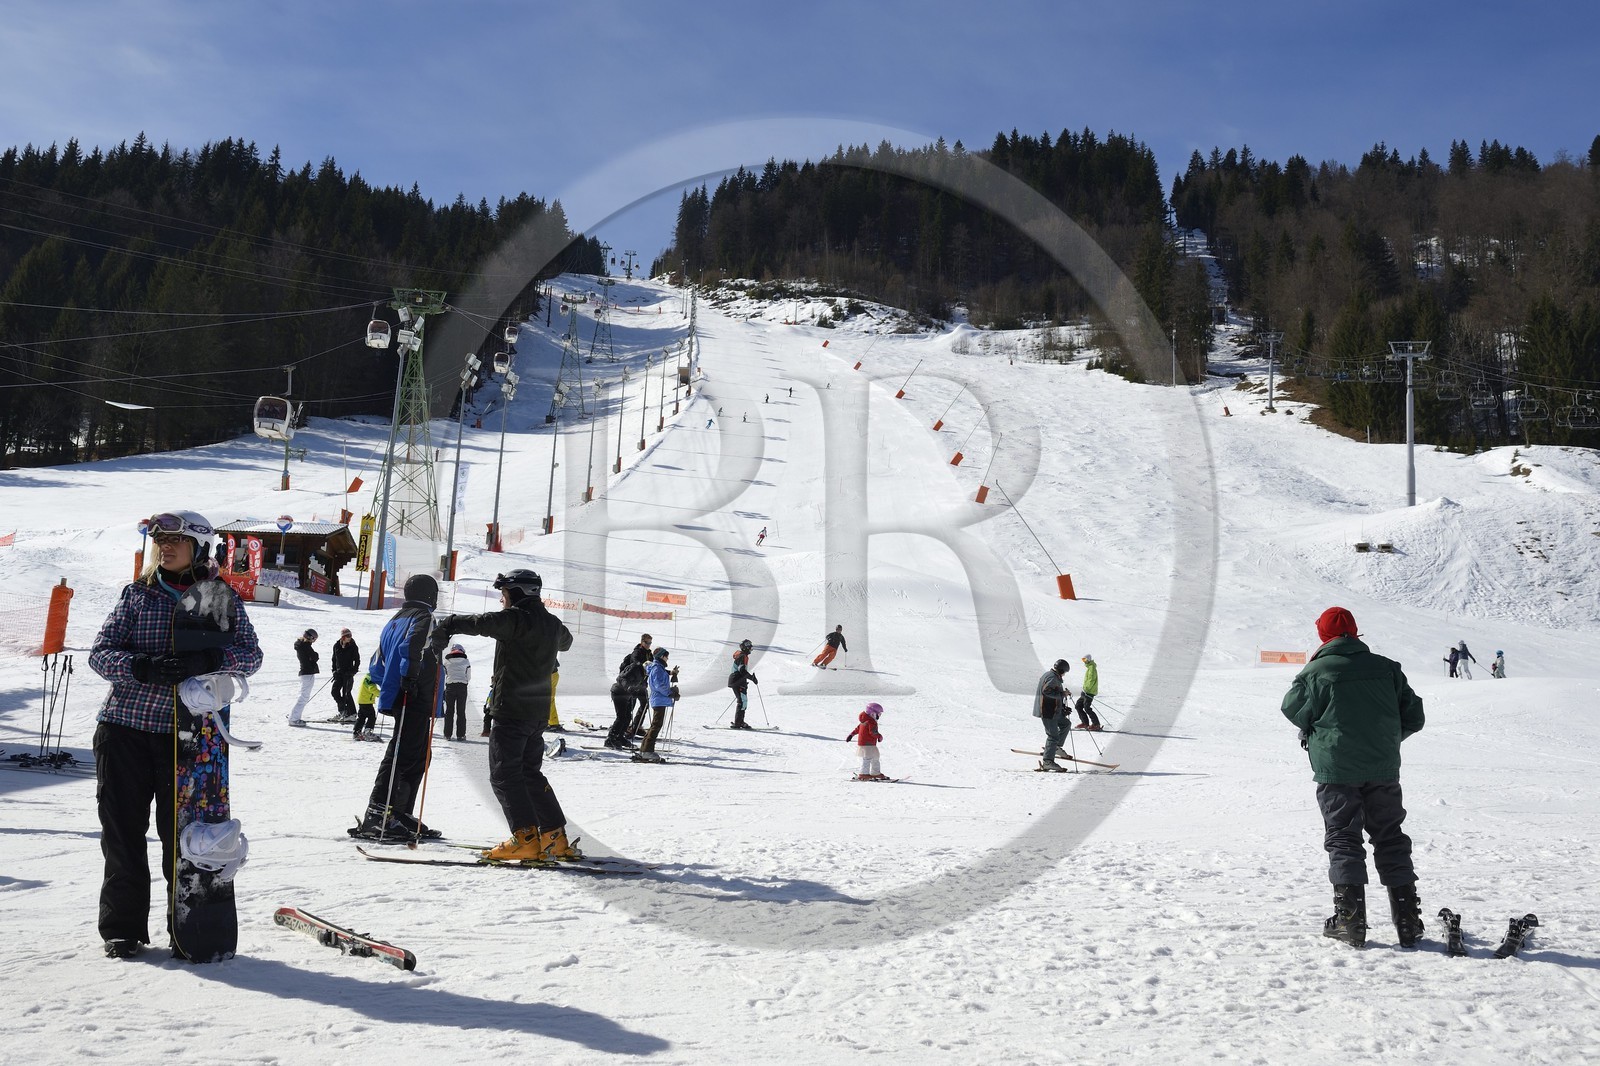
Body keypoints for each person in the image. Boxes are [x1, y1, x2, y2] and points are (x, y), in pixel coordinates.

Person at [89, 509, 263, 959]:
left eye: (175, 540)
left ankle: (187, 930)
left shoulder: (220, 599)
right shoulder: (137, 596)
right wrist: (139, 667)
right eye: (160, 540)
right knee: (122, 834)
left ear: (199, 546)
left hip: (187, 738)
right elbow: (100, 652)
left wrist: (208, 661)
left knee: (180, 837)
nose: (164, 547)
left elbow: (251, 655)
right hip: (124, 727)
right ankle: (122, 930)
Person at [1281, 606, 1425, 949]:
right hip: (1382, 769)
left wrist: (1320, 733)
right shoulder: (1388, 669)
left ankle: (1351, 922)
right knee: (1390, 837)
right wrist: (1383, 741)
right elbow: (1414, 716)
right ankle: (1407, 922)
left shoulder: (1317, 671)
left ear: (1322, 635)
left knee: (1344, 838)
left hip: (1336, 771)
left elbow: (1293, 708)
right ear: (1356, 632)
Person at [426, 569, 579, 861]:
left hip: (511, 710)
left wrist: (447, 624)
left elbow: (481, 623)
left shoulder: (515, 620)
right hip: (537, 714)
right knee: (529, 774)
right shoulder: (551, 623)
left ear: (518, 593)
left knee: (504, 775)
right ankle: (554, 837)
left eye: (505, 594)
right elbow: (567, 641)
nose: (502, 600)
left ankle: (525, 839)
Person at [352, 574, 442, 842]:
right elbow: (412, 646)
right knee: (403, 754)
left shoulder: (393, 620)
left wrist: (390, 683)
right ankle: (378, 815)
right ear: (430, 595)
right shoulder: (423, 618)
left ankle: (398, 813)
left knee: (416, 754)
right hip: (413, 695)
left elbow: (376, 663)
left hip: (403, 695)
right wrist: (409, 678)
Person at [635, 647, 678, 763]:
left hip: (659, 699)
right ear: (661, 656)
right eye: (666, 656)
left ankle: (644, 750)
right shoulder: (657, 669)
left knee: (655, 724)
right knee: (656, 725)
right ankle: (647, 750)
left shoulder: (658, 668)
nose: (667, 658)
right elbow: (659, 685)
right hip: (659, 699)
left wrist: (672, 676)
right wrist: (670, 693)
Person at [1032, 659, 1073, 771]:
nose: (1064, 674)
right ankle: (1048, 762)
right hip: (1047, 711)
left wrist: (1062, 708)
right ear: (1060, 670)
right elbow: (1047, 692)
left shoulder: (1052, 676)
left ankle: (1056, 747)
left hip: (1053, 710)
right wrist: (1062, 694)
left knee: (1066, 724)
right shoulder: (1052, 678)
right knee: (1053, 735)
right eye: (1064, 672)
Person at [607, 645, 650, 749]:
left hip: (626, 695)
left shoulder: (644, 674)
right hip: (618, 692)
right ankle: (610, 739)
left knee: (627, 717)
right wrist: (629, 687)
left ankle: (620, 737)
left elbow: (641, 685)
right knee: (621, 717)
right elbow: (621, 678)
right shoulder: (635, 668)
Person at [287, 629, 318, 727]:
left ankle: (293, 716)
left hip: (305, 672)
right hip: (307, 673)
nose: (314, 642)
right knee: (304, 697)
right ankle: (294, 719)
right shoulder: (306, 646)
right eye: (314, 639)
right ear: (310, 638)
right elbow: (315, 657)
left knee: (302, 696)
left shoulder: (300, 645)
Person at [846, 702, 886, 780]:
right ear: (873, 714)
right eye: (879, 714)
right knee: (867, 758)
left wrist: (851, 735)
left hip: (868, 744)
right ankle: (863, 774)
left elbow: (857, 729)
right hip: (868, 744)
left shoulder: (864, 721)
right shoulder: (871, 722)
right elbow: (873, 732)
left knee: (875, 757)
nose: (879, 716)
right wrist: (879, 736)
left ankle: (875, 773)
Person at [626, 633, 654, 738]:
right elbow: (635, 663)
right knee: (630, 707)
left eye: (650, 643)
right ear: (642, 642)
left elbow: (653, 666)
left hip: (642, 684)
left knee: (645, 705)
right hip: (633, 684)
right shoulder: (637, 652)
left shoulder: (649, 654)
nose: (648, 645)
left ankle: (636, 727)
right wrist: (644, 665)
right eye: (647, 642)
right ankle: (624, 727)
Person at [441, 643, 471, 740]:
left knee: (449, 711)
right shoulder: (466, 661)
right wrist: (465, 681)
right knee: (461, 711)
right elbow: (468, 675)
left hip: (450, 686)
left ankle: (447, 734)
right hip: (462, 686)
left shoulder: (446, 661)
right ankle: (461, 735)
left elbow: (445, 673)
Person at [330, 629, 360, 722]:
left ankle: (352, 714)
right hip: (339, 673)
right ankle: (343, 711)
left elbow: (357, 660)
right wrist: (334, 671)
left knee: (346, 693)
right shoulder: (336, 645)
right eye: (348, 636)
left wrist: (353, 671)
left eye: (350, 635)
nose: (350, 637)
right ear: (343, 637)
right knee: (334, 692)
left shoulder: (353, 646)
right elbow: (334, 659)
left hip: (348, 673)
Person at [728, 639, 759, 730]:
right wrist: (752, 678)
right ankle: (738, 723)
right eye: (750, 648)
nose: (750, 650)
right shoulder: (743, 656)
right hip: (737, 680)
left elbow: (740, 671)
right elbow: (742, 670)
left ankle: (740, 721)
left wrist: (745, 681)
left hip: (737, 680)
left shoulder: (742, 655)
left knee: (743, 701)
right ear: (745, 648)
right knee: (742, 701)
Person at [1075, 653, 1102, 730]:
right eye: (1083, 659)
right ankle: (1085, 723)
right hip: (1085, 691)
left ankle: (1096, 724)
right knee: (1078, 706)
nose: (1084, 661)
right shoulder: (1089, 667)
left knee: (1087, 707)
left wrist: (1086, 689)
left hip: (1089, 692)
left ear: (1089, 659)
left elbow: (1091, 680)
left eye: (1085, 659)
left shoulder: (1092, 668)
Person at [354, 672, 379, 741]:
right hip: (366, 701)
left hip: (362, 700)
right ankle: (368, 732)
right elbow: (372, 689)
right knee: (372, 717)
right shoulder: (370, 678)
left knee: (361, 717)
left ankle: (356, 732)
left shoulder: (367, 677)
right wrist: (381, 694)